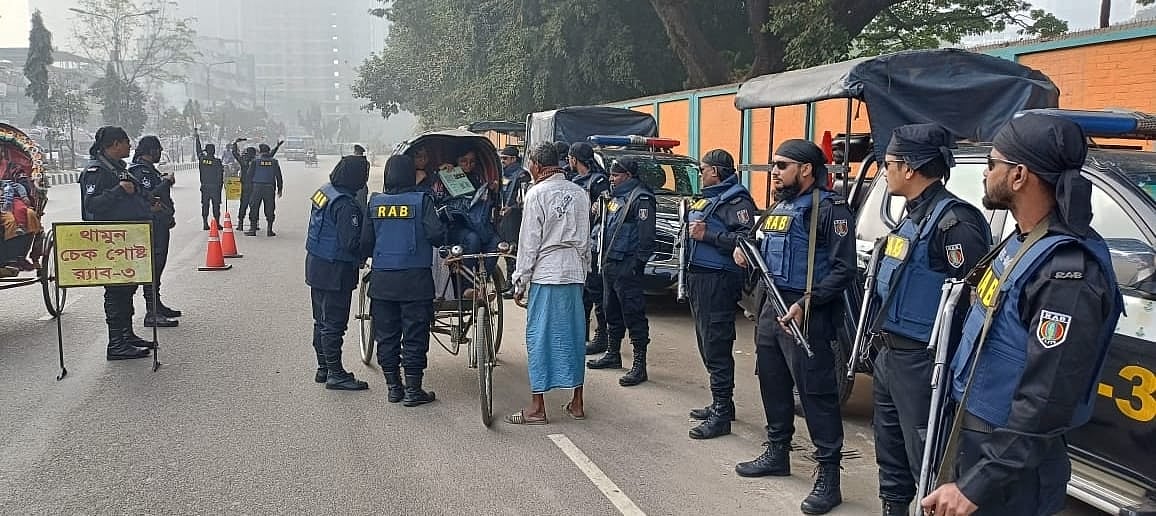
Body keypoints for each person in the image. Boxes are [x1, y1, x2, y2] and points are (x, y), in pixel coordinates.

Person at [921, 114, 1124, 516]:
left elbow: (1046, 399)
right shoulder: (1021, 242)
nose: (984, 173)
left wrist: (976, 485)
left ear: (1018, 176)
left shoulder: (1066, 273)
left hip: (1011, 470)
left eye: (992, 163)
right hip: (981, 443)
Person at [868, 124, 993, 516]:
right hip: (891, 356)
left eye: (888, 164)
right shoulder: (912, 217)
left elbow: (975, 300)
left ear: (910, 168)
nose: (884, 171)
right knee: (890, 454)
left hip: (924, 363)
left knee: (926, 459)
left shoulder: (954, 223)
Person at [731, 139, 855, 515]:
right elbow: (761, 246)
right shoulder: (779, 208)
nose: (774, 172)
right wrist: (744, 254)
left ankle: (829, 476)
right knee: (772, 381)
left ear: (805, 169)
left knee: (815, 394)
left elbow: (844, 268)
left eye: (781, 166)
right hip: (772, 305)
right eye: (774, 166)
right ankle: (777, 451)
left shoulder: (829, 209)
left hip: (807, 311)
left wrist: (809, 302)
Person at [506, 142, 591, 425]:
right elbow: (587, 240)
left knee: (539, 338)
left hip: (547, 272)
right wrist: (584, 270)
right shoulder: (580, 193)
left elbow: (529, 243)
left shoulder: (536, 194)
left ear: (537, 165)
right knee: (575, 336)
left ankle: (537, 407)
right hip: (574, 272)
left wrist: (520, 280)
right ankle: (577, 402)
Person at [684, 149, 757, 440]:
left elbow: (747, 239)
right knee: (706, 341)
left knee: (716, 342)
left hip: (718, 279)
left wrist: (708, 236)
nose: (700, 174)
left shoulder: (737, 201)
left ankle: (722, 413)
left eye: (703, 169)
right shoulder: (709, 197)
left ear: (715, 171)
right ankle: (721, 402)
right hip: (699, 277)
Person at [360, 155, 446, 405]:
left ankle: (393, 387)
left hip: (383, 281)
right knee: (414, 335)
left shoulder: (375, 202)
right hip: (415, 280)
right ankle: (413, 390)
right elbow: (437, 235)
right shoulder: (422, 201)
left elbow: (366, 242)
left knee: (386, 335)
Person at [79, 126, 155, 360]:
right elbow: (92, 205)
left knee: (128, 288)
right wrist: (119, 190)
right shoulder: (97, 170)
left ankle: (126, 335)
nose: (130, 146)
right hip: (112, 241)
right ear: (114, 144)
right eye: (126, 142)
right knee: (116, 292)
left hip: (129, 239)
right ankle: (116, 344)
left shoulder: (118, 167)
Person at [586, 157, 656, 387]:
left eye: (615, 176)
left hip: (627, 265)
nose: (611, 179)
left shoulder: (641, 198)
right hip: (610, 263)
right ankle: (613, 353)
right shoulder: (613, 197)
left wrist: (638, 264)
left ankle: (639, 365)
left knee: (633, 314)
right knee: (610, 311)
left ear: (627, 175)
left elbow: (646, 238)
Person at [306, 156, 371, 390]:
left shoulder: (324, 191)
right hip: (336, 268)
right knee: (334, 323)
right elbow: (350, 242)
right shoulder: (346, 204)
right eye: (364, 174)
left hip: (316, 262)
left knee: (320, 320)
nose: (365, 179)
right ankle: (335, 373)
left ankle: (323, 367)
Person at [129, 135, 181, 328]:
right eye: (158, 150)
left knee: (159, 264)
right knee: (153, 264)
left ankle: (156, 305)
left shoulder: (150, 170)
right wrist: (167, 181)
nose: (160, 153)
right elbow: (152, 195)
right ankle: (151, 312)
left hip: (160, 222)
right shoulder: (141, 171)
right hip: (151, 224)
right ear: (151, 151)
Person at [438, 149, 501, 298]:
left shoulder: (478, 179)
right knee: (472, 239)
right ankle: (466, 288)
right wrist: (439, 174)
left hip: (478, 223)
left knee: (496, 242)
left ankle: (482, 282)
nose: (468, 165)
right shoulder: (443, 177)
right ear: (456, 161)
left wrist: (493, 190)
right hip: (455, 227)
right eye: (464, 161)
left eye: (472, 162)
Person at [568, 142, 611, 355]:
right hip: (578, 242)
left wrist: (597, 208)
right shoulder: (574, 180)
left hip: (594, 243)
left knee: (595, 291)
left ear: (575, 159)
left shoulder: (599, 180)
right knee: (582, 291)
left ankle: (602, 336)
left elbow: (604, 208)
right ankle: (580, 335)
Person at [496, 145, 531, 297]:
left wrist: (513, 208)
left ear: (513, 159)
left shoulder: (522, 175)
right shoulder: (501, 174)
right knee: (506, 251)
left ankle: (516, 286)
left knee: (514, 252)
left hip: (516, 219)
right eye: (501, 158)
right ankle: (509, 283)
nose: (502, 161)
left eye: (505, 158)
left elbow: (525, 200)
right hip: (503, 219)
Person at [245, 143, 284, 237]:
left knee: (254, 208)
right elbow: (278, 176)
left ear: (261, 151)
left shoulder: (255, 161)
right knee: (270, 208)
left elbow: (249, 175)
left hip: (257, 187)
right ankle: (269, 230)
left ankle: (253, 229)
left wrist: (249, 189)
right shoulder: (274, 162)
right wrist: (280, 188)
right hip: (269, 188)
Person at [195, 128, 224, 230]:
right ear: (214, 151)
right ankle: (217, 223)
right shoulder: (217, 161)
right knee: (216, 206)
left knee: (205, 205)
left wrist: (197, 138)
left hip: (205, 186)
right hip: (215, 187)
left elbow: (198, 151)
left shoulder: (202, 160)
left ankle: (205, 223)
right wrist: (220, 187)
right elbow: (220, 176)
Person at [350, 144, 371, 209]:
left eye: (355, 152)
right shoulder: (366, 162)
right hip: (362, 187)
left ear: (357, 152)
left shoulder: (354, 162)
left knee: (359, 208)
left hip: (358, 188)